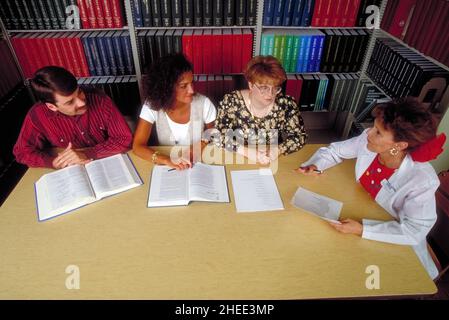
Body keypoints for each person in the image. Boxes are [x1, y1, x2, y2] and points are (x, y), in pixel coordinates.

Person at [296, 97, 447, 280]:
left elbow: (414, 230)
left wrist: (363, 230)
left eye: (378, 132)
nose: (369, 133)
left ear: (399, 145)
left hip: (391, 239)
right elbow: (335, 151)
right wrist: (316, 165)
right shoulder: (368, 142)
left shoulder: (421, 180)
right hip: (362, 212)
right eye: (374, 127)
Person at [13, 66, 132, 169]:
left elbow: (124, 138)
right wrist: (53, 162)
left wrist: (87, 154)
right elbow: (22, 152)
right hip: (69, 170)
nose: (81, 103)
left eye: (79, 92)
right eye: (70, 102)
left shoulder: (99, 99)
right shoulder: (37, 115)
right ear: (52, 106)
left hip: (104, 163)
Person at [214, 55, 307, 164]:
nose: (270, 94)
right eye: (264, 88)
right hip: (238, 158)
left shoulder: (286, 104)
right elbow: (217, 135)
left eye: (275, 87)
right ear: (251, 85)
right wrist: (247, 152)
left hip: (271, 159)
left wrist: (277, 150)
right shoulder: (231, 102)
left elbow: (300, 136)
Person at [132, 54, 216, 170]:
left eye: (192, 83)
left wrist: (198, 146)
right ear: (166, 87)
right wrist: (166, 160)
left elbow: (214, 132)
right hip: (168, 168)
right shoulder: (151, 105)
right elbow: (137, 146)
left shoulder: (204, 103)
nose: (191, 90)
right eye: (183, 86)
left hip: (197, 165)